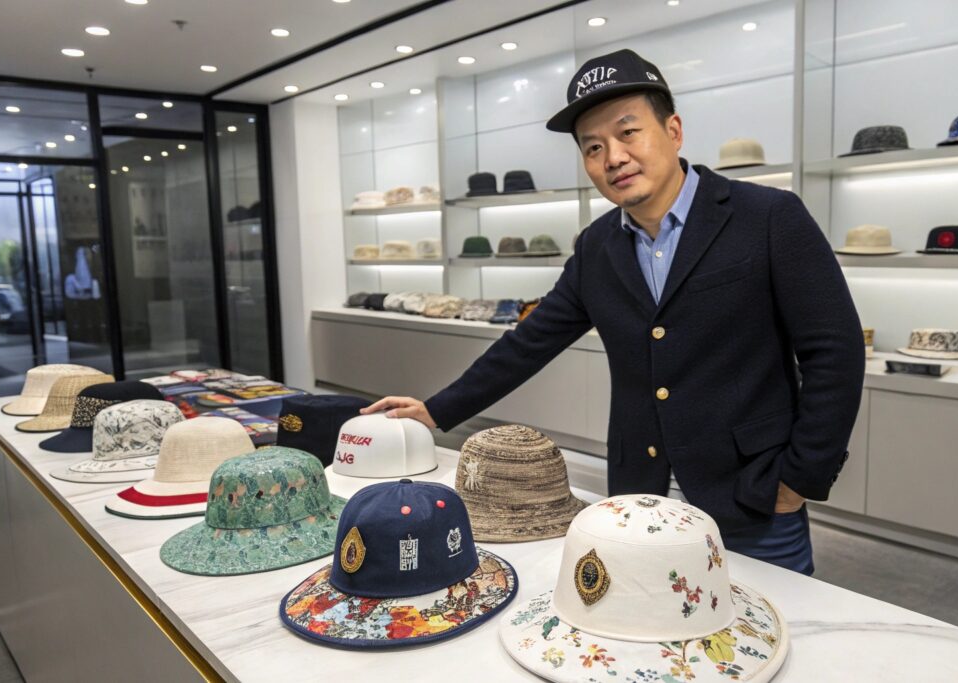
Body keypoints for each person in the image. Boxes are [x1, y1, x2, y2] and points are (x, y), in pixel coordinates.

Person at [363, 49, 865, 575]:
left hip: (753, 496)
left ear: (673, 131)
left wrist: (800, 478)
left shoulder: (767, 217)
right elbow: (531, 341)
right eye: (594, 147)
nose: (614, 157)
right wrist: (436, 410)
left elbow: (835, 350)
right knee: (642, 615)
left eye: (629, 133)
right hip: (639, 495)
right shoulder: (597, 246)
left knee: (771, 617)